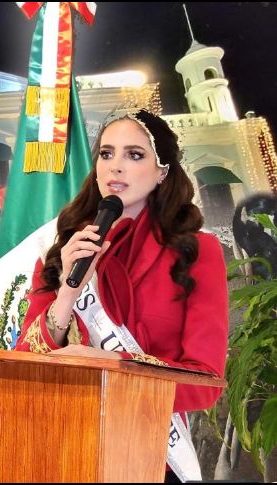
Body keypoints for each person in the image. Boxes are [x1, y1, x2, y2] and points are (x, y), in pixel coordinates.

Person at [15, 109, 228, 483]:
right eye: (106, 153)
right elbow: (27, 364)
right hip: (66, 452)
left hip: (151, 460)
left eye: (134, 155)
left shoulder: (198, 251)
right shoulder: (62, 250)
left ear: (162, 171)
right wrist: (67, 292)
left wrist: (109, 364)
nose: (116, 167)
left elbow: (204, 381)